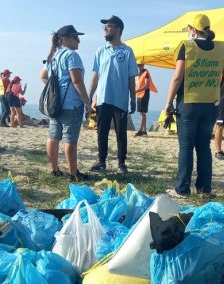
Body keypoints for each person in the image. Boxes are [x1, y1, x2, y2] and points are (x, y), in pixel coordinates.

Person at [164, 14, 224, 199]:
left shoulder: (186, 46)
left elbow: (177, 76)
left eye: (189, 28)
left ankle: (182, 189)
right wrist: (219, 95)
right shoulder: (221, 48)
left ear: (193, 30)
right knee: (204, 147)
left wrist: (168, 104)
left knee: (186, 147)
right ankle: (205, 189)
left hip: (188, 103)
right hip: (210, 105)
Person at [40, 25, 93, 182]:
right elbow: (76, 80)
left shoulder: (53, 56)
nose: (79, 40)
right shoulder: (72, 55)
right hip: (71, 104)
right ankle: (73, 174)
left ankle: (54, 170)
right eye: (76, 37)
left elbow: (42, 76)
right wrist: (87, 102)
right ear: (65, 39)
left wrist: (56, 89)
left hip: (54, 104)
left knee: (53, 136)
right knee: (70, 139)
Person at [89, 15, 137, 174]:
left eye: (108, 26)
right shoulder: (100, 50)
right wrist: (89, 97)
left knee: (121, 134)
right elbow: (95, 75)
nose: (105, 29)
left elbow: (131, 77)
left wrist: (133, 99)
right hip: (103, 98)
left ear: (118, 29)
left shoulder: (127, 51)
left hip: (121, 100)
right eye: (105, 26)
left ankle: (121, 163)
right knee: (101, 132)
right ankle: (102, 161)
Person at [134, 61, 157, 136]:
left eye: (140, 65)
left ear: (143, 65)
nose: (139, 66)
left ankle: (141, 130)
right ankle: (144, 130)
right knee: (141, 112)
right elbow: (137, 84)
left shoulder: (146, 73)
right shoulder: (138, 74)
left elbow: (147, 85)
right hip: (139, 94)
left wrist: (137, 90)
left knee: (142, 112)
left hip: (144, 94)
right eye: (138, 65)